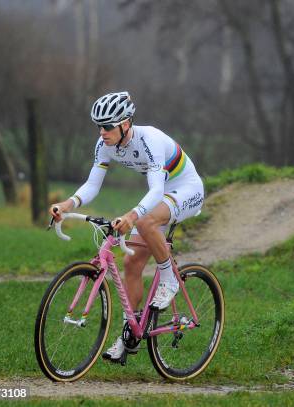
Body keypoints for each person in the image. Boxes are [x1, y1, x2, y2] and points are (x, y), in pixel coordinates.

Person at [49, 91, 204, 363]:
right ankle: (128, 335)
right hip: (162, 193)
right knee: (131, 264)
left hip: (186, 189)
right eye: (98, 125)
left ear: (126, 123)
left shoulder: (150, 140)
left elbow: (156, 189)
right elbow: (93, 185)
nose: (102, 131)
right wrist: (67, 204)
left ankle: (169, 280)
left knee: (145, 221)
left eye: (107, 126)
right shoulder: (105, 144)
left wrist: (132, 216)